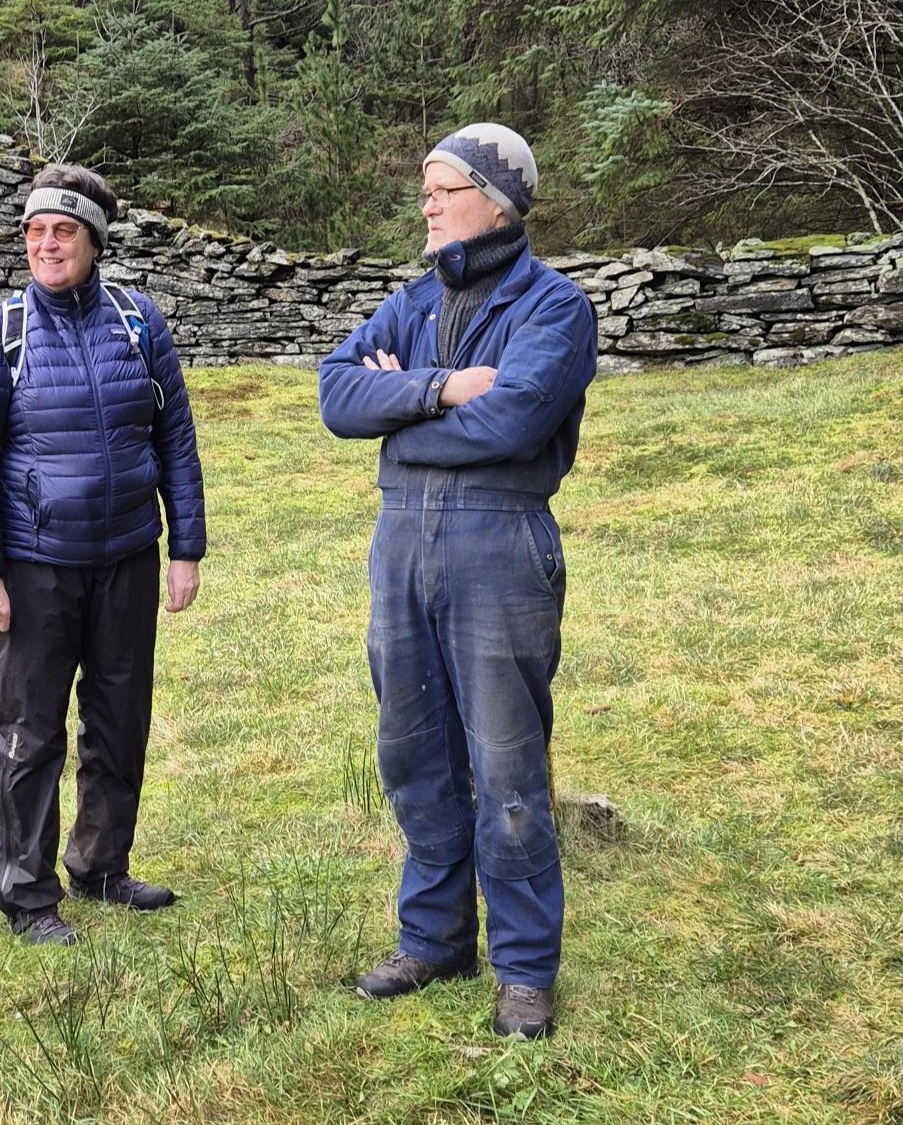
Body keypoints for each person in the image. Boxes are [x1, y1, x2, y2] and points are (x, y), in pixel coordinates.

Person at [318, 124, 596, 1039]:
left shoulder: (554, 308)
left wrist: (395, 412)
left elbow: (513, 423)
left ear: (496, 200)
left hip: (501, 544)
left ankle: (523, 968)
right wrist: (440, 391)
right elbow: (333, 395)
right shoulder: (408, 301)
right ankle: (434, 937)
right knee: (411, 750)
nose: (426, 204)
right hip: (401, 547)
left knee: (507, 763)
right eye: (425, 189)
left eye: (442, 188)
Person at [0, 163, 206, 947]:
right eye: (34, 231)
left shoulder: (138, 320)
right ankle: (28, 895)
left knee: (119, 720)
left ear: (94, 240)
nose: (46, 244)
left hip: (127, 553)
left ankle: (100, 863)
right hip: (35, 563)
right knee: (32, 731)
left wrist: (184, 548)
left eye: (62, 231)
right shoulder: (3, 331)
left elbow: (176, 438)